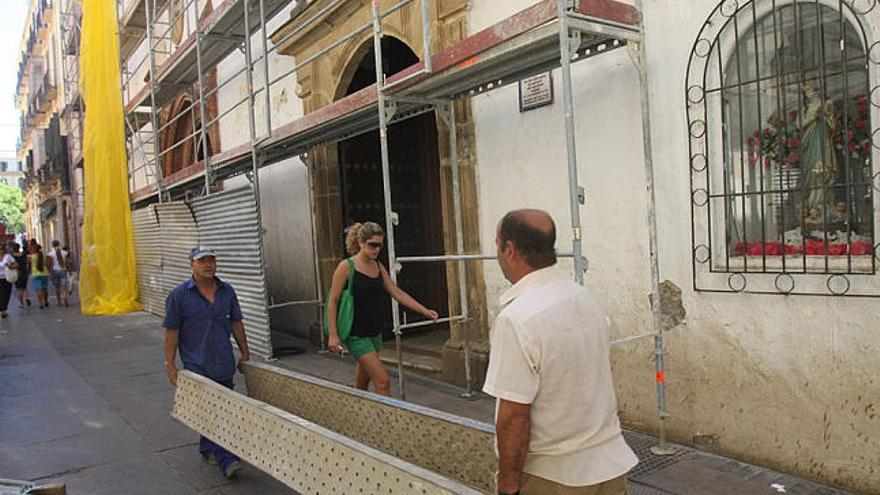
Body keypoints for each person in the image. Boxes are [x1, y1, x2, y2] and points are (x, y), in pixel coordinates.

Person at [483, 209, 638, 495]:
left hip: (555, 477)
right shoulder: (583, 297)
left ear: (509, 249)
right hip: (609, 466)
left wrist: (507, 485)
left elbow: (514, 416)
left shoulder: (516, 319)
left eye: (497, 244)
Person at [163, 246, 250, 479]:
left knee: (214, 410)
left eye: (212, 260)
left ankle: (207, 447)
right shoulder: (179, 296)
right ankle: (227, 458)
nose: (209, 264)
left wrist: (245, 352)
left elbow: (236, 323)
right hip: (196, 365)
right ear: (192, 264)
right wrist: (170, 365)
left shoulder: (227, 291)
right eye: (202, 261)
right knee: (217, 411)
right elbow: (172, 332)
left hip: (223, 362)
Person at [326, 222, 438, 397]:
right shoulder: (346, 267)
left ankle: (358, 414)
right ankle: (389, 423)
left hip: (375, 333)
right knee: (383, 381)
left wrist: (424, 310)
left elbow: (396, 292)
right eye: (372, 244)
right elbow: (333, 300)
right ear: (361, 242)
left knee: (362, 383)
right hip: (357, 336)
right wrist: (333, 335)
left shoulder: (378, 266)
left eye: (379, 245)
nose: (376, 249)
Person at [47, 240, 70, 307]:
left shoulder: (50, 254)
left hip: (55, 271)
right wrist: (70, 271)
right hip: (63, 270)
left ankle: (59, 301)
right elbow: (66, 263)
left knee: (57, 287)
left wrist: (50, 273)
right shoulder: (64, 252)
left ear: (52, 245)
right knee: (63, 286)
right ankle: (65, 297)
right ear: (59, 244)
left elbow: (50, 265)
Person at [10, 242, 31, 309]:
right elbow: (28, 262)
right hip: (24, 272)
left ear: (13, 249)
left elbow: (11, 264)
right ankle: (26, 298)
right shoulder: (24, 254)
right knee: (24, 287)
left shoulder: (12, 256)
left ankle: (21, 303)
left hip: (17, 273)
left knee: (19, 289)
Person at [30, 243, 50, 309]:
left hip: (36, 274)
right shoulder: (43, 256)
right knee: (45, 288)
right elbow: (47, 264)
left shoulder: (32, 257)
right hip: (45, 273)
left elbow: (30, 265)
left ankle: (40, 304)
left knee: (38, 289)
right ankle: (46, 301)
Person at [0, 244, 17, 318]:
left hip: (7, 278)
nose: (1, 251)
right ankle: (3, 311)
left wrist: (9, 266)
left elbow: (16, 264)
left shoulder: (8, 257)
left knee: (7, 294)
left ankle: (4, 309)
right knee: (1, 294)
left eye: (1, 249)